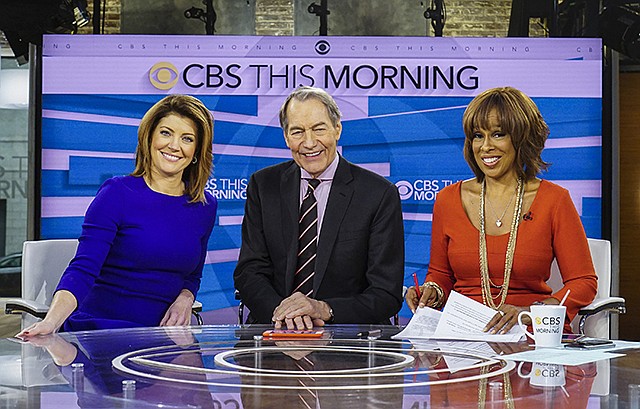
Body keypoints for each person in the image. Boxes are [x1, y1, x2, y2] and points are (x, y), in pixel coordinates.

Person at [18, 94, 217, 336]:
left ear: (196, 151)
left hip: (162, 338)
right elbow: (83, 268)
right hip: (102, 329)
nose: (174, 145)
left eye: (187, 138)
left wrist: (186, 297)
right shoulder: (117, 193)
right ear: (149, 138)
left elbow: (192, 275)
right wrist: (51, 323)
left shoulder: (204, 206)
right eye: (166, 133)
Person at [405, 86, 597, 334]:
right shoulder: (448, 200)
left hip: (529, 336)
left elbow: (583, 282)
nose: (485, 147)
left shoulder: (554, 200)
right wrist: (432, 292)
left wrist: (531, 312)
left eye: (498, 134)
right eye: (477, 136)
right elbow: (441, 274)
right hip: (462, 336)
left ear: (521, 139)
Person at [234, 86, 404, 330]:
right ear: (285, 137)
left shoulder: (378, 194)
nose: (309, 142)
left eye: (319, 129)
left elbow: (385, 293)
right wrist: (286, 315)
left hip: (348, 340)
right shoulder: (264, 186)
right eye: (297, 132)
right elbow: (249, 271)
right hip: (275, 330)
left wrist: (324, 310)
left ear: (337, 129)